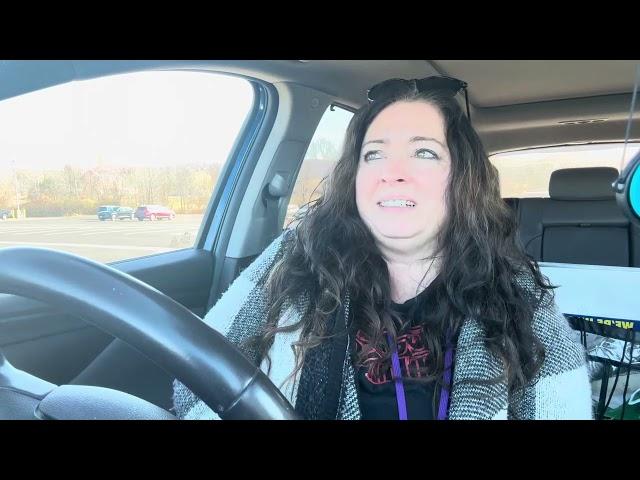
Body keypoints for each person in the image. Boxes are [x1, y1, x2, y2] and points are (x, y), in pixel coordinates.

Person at [173, 76, 593, 420]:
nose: (393, 173)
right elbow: (198, 382)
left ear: (462, 179)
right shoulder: (297, 256)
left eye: (424, 152)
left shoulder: (517, 294)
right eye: (374, 155)